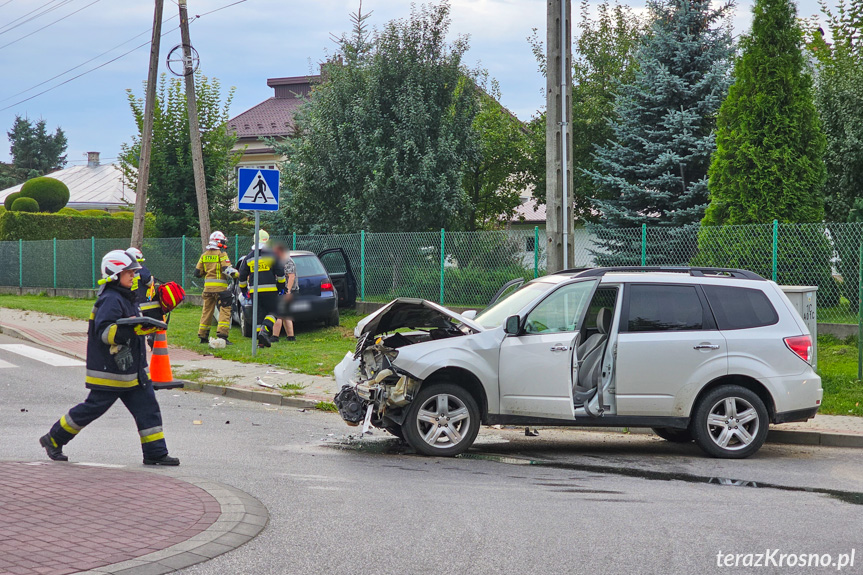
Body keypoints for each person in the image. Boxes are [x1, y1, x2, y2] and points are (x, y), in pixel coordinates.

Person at [39, 250, 179, 466]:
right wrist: (131, 331)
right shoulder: (110, 299)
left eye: (133, 272)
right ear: (115, 274)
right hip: (111, 372)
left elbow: (128, 326)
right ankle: (53, 438)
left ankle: (155, 453)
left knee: (148, 408)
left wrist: (141, 327)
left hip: (132, 372)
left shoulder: (125, 297)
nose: (133, 276)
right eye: (129, 273)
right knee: (91, 409)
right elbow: (105, 332)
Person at [237, 230, 285, 348]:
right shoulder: (272, 255)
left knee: (258, 316)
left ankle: (261, 343)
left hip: (255, 292)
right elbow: (280, 274)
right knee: (275, 311)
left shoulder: (249, 257)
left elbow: (242, 276)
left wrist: (243, 290)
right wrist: (281, 287)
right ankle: (264, 330)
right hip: (270, 291)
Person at [194, 231, 238, 345]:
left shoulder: (204, 255)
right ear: (219, 242)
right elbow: (226, 269)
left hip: (207, 289)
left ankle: (203, 336)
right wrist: (237, 274)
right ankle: (222, 336)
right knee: (225, 310)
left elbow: (197, 273)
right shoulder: (221, 254)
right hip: (221, 290)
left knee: (207, 311)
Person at [271, 242, 297, 343]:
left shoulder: (287, 261)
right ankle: (290, 337)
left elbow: (291, 276)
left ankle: (275, 336)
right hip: (282, 290)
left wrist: (288, 291)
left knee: (279, 313)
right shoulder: (278, 261)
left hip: (286, 290)